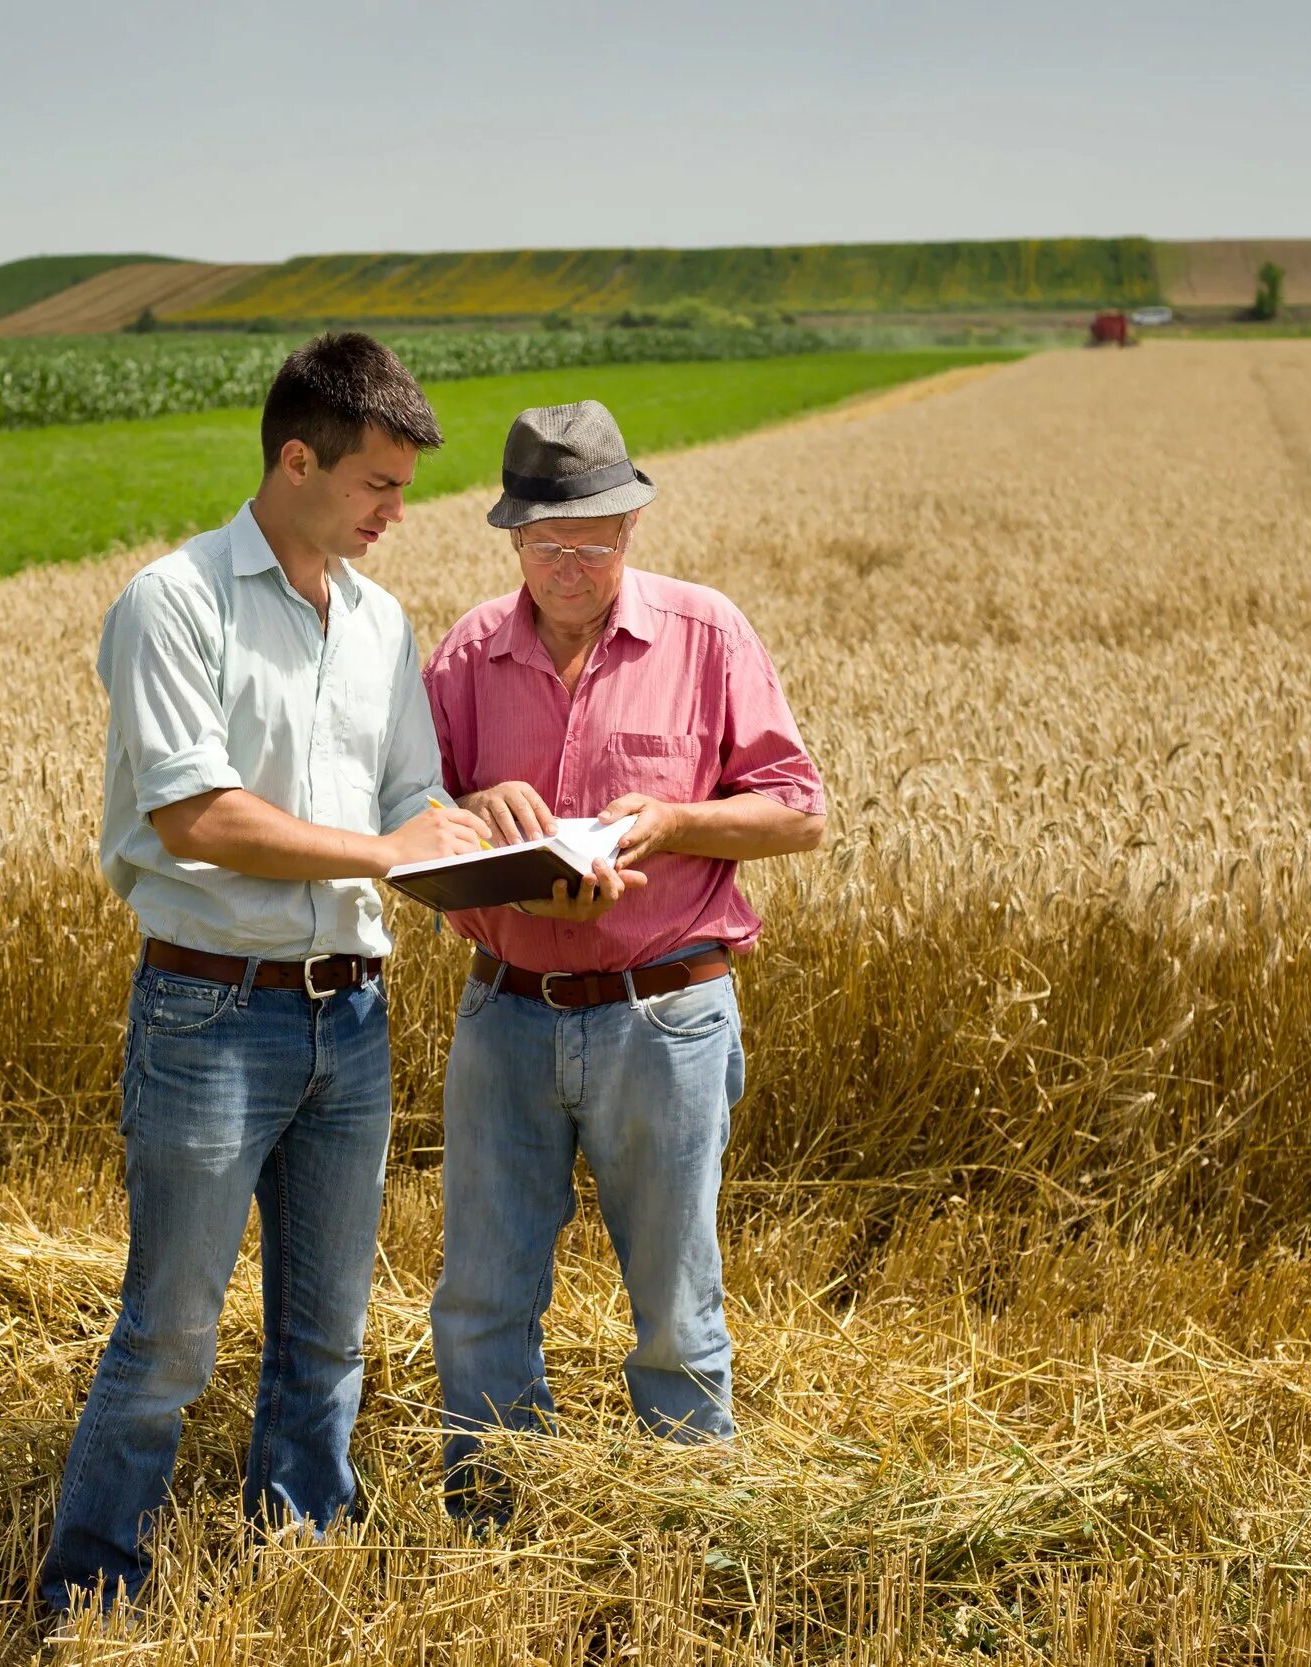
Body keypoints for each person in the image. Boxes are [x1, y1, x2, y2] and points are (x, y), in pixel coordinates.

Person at [40, 332, 489, 1611]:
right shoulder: (173, 601)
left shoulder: (382, 620)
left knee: (327, 1331)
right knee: (173, 1330)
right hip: (208, 1011)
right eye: (378, 486)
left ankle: (295, 1554)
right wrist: (388, 848)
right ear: (297, 460)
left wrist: (472, 835)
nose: (398, 512)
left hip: (351, 1013)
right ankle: (93, 1590)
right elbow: (198, 816)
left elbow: (408, 792)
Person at [422, 399, 827, 1518]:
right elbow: (400, 811)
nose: (572, 562)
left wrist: (672, 822)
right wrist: (468, 802)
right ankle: (495, 1519)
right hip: (505, 1012)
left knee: (675, 1301)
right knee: (481, 1296)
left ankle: (690, 1533)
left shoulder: (706, 634)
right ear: (511, 537)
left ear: (632, 523)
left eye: (596, 538)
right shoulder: (463, 653)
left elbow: (798, 812)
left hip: (666, 1016)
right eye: (549, 541)